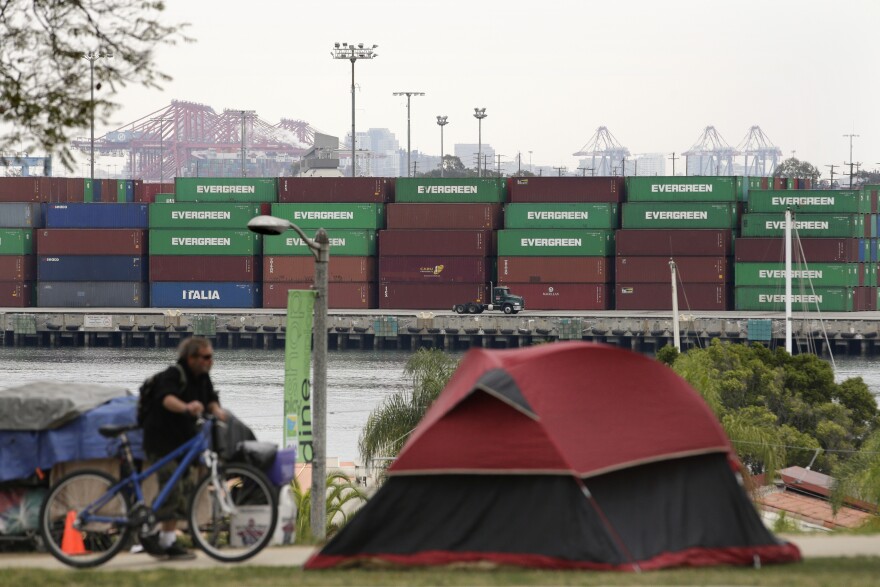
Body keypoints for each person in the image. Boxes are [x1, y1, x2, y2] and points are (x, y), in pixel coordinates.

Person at [141, 336, 226, 560]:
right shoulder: (174, 374)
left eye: (211, 357)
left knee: (184, 489)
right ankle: (148, 531)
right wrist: (187, 407)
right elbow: (166, 399)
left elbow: (210, 399)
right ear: (192, 358)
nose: (210, 361)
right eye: (206, 357)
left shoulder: (203, 378)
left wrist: (217, 410)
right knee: (171, 485)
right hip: (161, 440)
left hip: (184, 441)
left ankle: (167, 541)